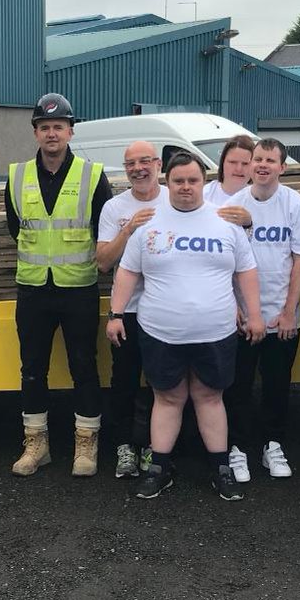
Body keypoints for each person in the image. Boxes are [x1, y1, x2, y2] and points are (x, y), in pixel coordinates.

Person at [108, 152, 265, 501]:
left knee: (210, 397)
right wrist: (116, 314)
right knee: (168, 397)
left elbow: (247, 271)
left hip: (216, 332)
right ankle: (159, 469)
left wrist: (254, 315)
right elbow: (128, 272)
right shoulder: (147, 222)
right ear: (167, 182)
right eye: (178, 181)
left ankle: (221, 469)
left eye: (193, 181)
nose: (185, 187)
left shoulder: (225, 222)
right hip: (162, 332)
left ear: (203, 182)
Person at [5, 93, 113, 477]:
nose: (52, 133)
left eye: (58, 127)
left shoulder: (92, 175)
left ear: (70, 130)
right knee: (31, 369)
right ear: (35, 132)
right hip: (33, 290)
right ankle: (36, 445)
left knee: (84, 366)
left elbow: (105, 229)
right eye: (44, 127)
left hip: (79, 288)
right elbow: (15, 226)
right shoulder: (17, 175)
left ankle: (86, 445)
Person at [222, 138, 300, 482]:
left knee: (277, 385)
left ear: (282, 167)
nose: (262, 165)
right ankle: (238, 448)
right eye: (257, 159)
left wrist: (290, 311)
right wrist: (234, 309)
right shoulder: (233, 205)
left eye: (270, 160)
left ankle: (273, 444)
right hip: (243, 317)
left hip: (281, 316)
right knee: (238, 387)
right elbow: (223, 264)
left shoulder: (294, 204)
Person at [96, 140, 168, 478]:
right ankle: (125, 447)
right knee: (123, 380)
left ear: (158, 164)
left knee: (163, 382)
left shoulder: (174, 198)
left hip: (167, 309)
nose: (138, 168)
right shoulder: (114, 207)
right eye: (130, 164)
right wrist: (129, 228)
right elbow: (103, 262)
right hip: (127, 310)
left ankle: (156, 447)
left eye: (144, 161)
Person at [204, 134, 254, 205]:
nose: (239, 169)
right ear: (222, 162)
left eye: (245, 163)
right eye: (233, 162)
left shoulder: (259, 199)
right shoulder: (204, 195)